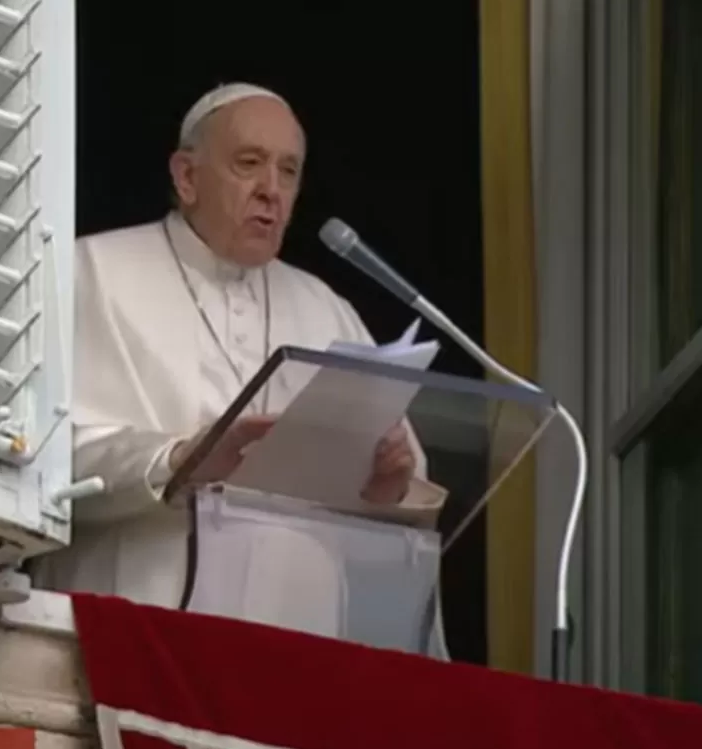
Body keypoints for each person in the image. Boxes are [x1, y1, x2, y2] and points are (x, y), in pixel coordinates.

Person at [37, 83, 447, 648]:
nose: (270, 191)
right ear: (186, 177)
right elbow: (40, 460)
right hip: (137, 626)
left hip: (300, 644)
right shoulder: (90, 274)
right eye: (249, 164)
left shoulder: (326, 309)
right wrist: (182, 459)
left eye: (288, 171)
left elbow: (409, 505)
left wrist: (385, 486)